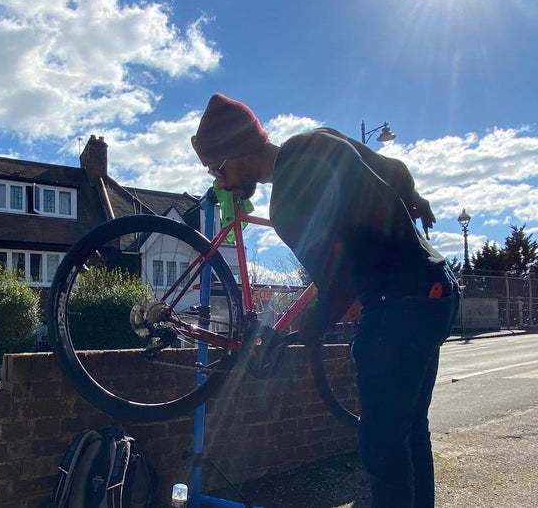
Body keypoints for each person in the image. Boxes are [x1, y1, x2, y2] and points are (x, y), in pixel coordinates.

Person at [191, 93, 460, 508]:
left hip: (397, 306)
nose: (220, 182)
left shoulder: (286, 204)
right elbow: (396, 170)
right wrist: (416, 201)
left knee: (383, 446)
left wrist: (311, 326)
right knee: (410, 431)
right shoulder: (319, 137)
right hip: (434, 289)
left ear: (237, 151)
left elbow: (340, 282)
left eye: (217, 168)